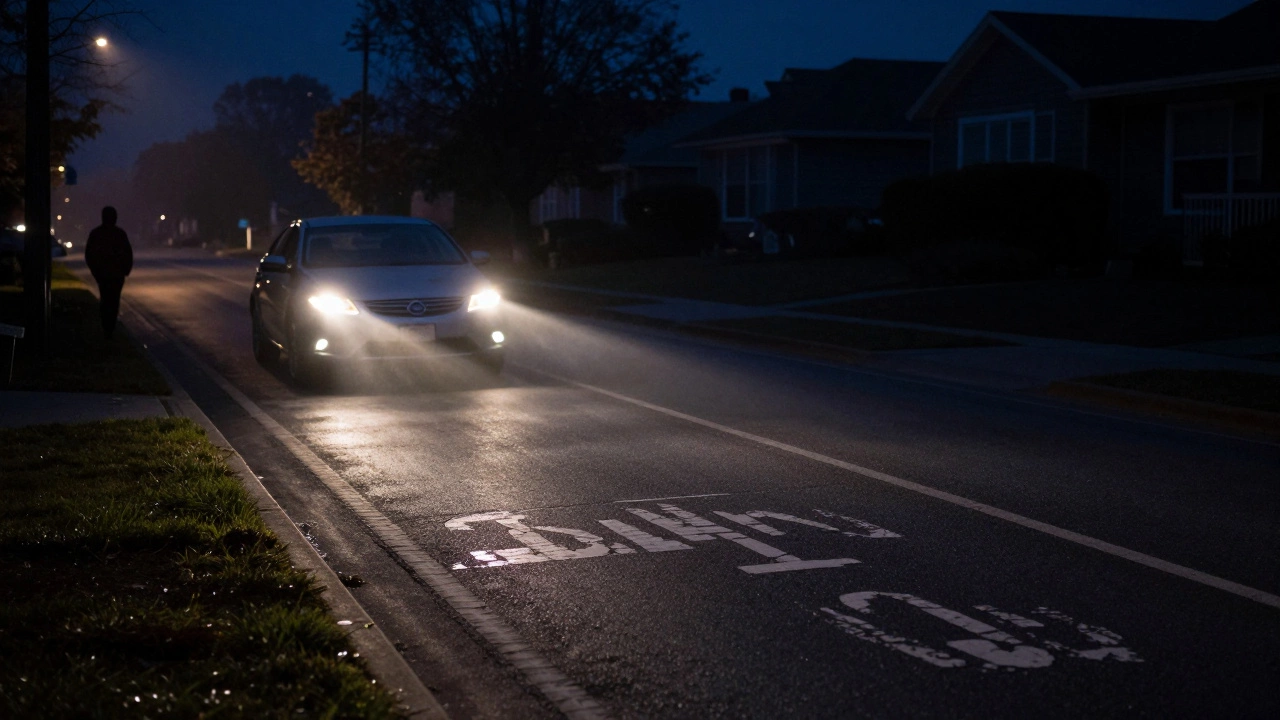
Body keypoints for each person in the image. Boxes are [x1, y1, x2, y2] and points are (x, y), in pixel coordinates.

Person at [84, 206, 133, 340]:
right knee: (113, 299)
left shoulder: (96, 234)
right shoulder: (119, 234)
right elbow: (128, 253)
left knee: (106, 299)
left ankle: (107, 326)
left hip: (104, 274)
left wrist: (95, 271)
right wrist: (125, 270)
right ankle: (109, 326)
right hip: (115, 274)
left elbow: (89, 255)